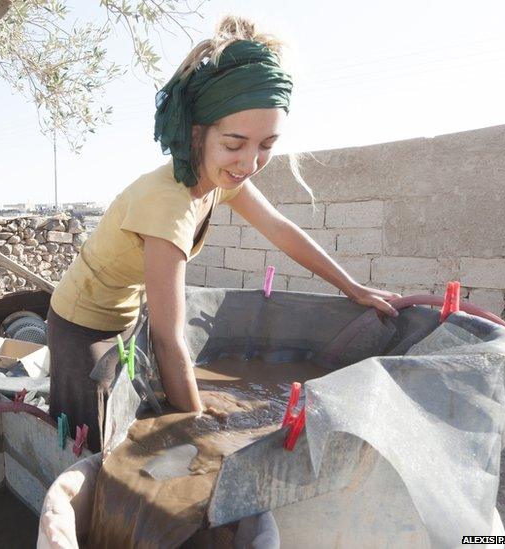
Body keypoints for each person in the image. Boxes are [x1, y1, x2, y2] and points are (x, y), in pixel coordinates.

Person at [46, 15, 400, 452]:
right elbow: (170, 338)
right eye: (235, 144)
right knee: (93, 433)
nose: (249, 163)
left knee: (143, 407)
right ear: (197, 133)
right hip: (82, 324)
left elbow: (280, 229)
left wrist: (352, 287)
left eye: (266, 145)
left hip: (125, 314)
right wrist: (201, 429)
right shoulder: (168, 204)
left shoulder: (218, 181)